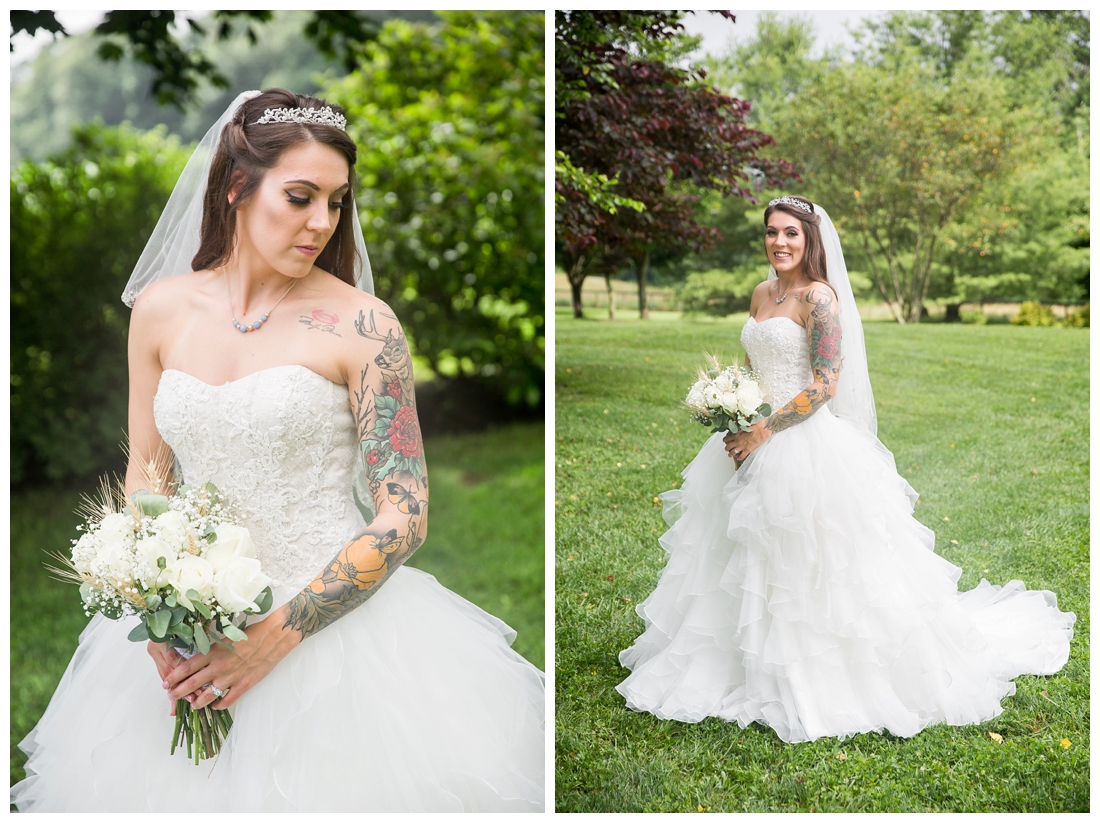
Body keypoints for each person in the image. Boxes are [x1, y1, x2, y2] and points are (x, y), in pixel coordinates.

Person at [11, 89, 544, 812]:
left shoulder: (364, 326)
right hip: (187, 636)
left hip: (331, 637)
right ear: (237, 186)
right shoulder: (161, 311)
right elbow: (148, 469)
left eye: (336, 201)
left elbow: (405, 513)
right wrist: (157, 605)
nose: (322, 222)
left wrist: (271, 639)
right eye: (300, 197)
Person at [616, 195, 1075, 743]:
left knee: (811, 562)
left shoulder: (821, 299)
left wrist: (764, 430)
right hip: (749, 437)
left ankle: (814, 669)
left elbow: (825, 384)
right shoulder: (764, 293)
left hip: (800, 446)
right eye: (770, 233)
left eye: (790, 233)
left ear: (810, 240)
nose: (779, 243)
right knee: (734, 553)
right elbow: (754, 364)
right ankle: (736, 661)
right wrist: (730, 398)